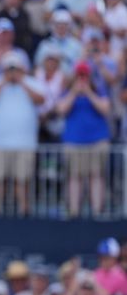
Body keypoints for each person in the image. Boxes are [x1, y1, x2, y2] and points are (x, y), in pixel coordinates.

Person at [0, 51, 44, 216]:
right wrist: (4, 81)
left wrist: (21, 81)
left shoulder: (31, 83)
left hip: (25, 142)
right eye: (9, 68)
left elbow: (41, 100)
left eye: (15, 68)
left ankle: (24, 212)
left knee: (22, 180)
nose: (12, 71)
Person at [56, 61, 111, 217]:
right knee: (75, 177)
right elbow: (61, 110)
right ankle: (74, 212)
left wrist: (88, 92)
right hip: (74, 141)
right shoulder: (67, 91)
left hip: (97, 140)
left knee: (96, 175)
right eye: (79, 75)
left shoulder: (99, 90)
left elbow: (105, 109)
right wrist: (74, 92)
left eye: (84, 75)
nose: (82, 78)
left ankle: (97, 212)